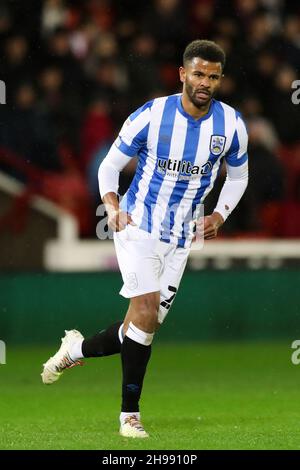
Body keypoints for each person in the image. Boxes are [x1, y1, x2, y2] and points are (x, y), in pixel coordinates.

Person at [41, 40, 249, 438]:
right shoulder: (152, 116)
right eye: (199, 74)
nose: (205, 82)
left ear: (220, 80)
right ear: (182, 74)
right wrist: (113, 207)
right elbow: (110, 166)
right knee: (146, 308)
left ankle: (75, 350)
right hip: (138, 225)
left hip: (183, 235)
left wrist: (220, 214)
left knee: (143, 326)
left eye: (213, 76)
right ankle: (129, 416)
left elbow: (238, 177)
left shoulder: (232, 126)